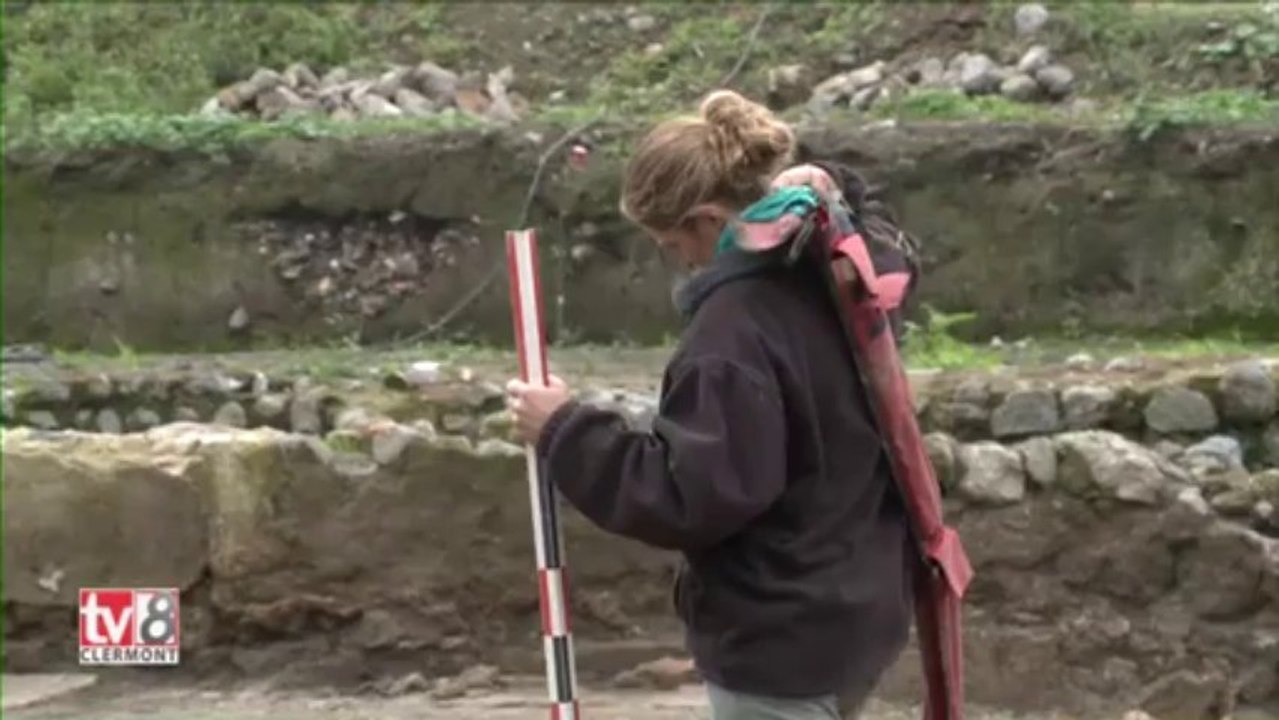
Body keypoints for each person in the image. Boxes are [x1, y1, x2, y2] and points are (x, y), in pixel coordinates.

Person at [506, 90, 916, 720]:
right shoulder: (833, 267)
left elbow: (692, 495)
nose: (680, 261)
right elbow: (882, 232)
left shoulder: (730, 336)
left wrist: (564, 431)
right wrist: (838, 184)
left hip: (783, 640)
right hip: (856, 606)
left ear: (706, 220)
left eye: (673, 243)